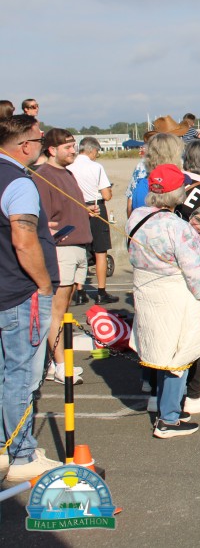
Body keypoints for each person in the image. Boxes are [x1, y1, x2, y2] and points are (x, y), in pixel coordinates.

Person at [128, 164, 200, 438]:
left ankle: (163, 404)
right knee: (181, 352)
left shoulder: (137, 216)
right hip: (174, 293)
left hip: (146, 290)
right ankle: (169, 418)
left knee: (157, 347)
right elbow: (195, 271)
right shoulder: (179, 227)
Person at [0, 114, 62, 483]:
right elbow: (23, 241)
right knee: (22, 376)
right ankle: (21, 453)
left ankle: (5, 446)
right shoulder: (19, 182)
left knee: (6, 374)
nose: (42, 145)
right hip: (19, 291)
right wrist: (43, 284)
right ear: (25, 146)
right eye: (39, 140)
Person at [32, 129, 92, 385]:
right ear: (51, 150)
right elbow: (41, 218)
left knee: (65, 308)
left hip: (78, 247)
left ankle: (52, 362)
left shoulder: (67, 173)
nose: (73, 150)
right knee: (55, 310)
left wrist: (85, 211)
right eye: (67, 147)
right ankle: (59, 365)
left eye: (73, 145)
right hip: (61, 249)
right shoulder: (42, 175)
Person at [67, 136, 117, 306]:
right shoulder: (96, 167)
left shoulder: (69, 167)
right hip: (96, 207)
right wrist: (109, 191)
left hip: (76, 208)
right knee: (100, 251)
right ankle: (101, 291)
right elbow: (106, 195)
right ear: (92, 150)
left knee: (80, 249)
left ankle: (80, 291)